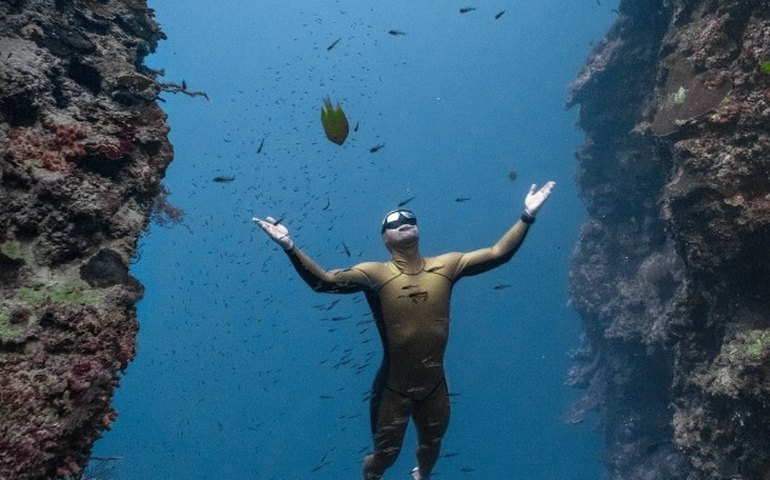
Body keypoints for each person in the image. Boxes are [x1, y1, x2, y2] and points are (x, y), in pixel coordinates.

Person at [253, 181, 555, 480]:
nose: (403, 221)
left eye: (409, 218)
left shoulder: (448, 265)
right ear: (385, 239)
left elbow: (498, 253)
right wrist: (290, 246)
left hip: (435, 386)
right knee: (385, 457)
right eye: (394, 222)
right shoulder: (374, 273)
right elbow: (324, 282)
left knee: (431, 448)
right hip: (393, 390)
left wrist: (527, 215)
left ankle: (421, 476)